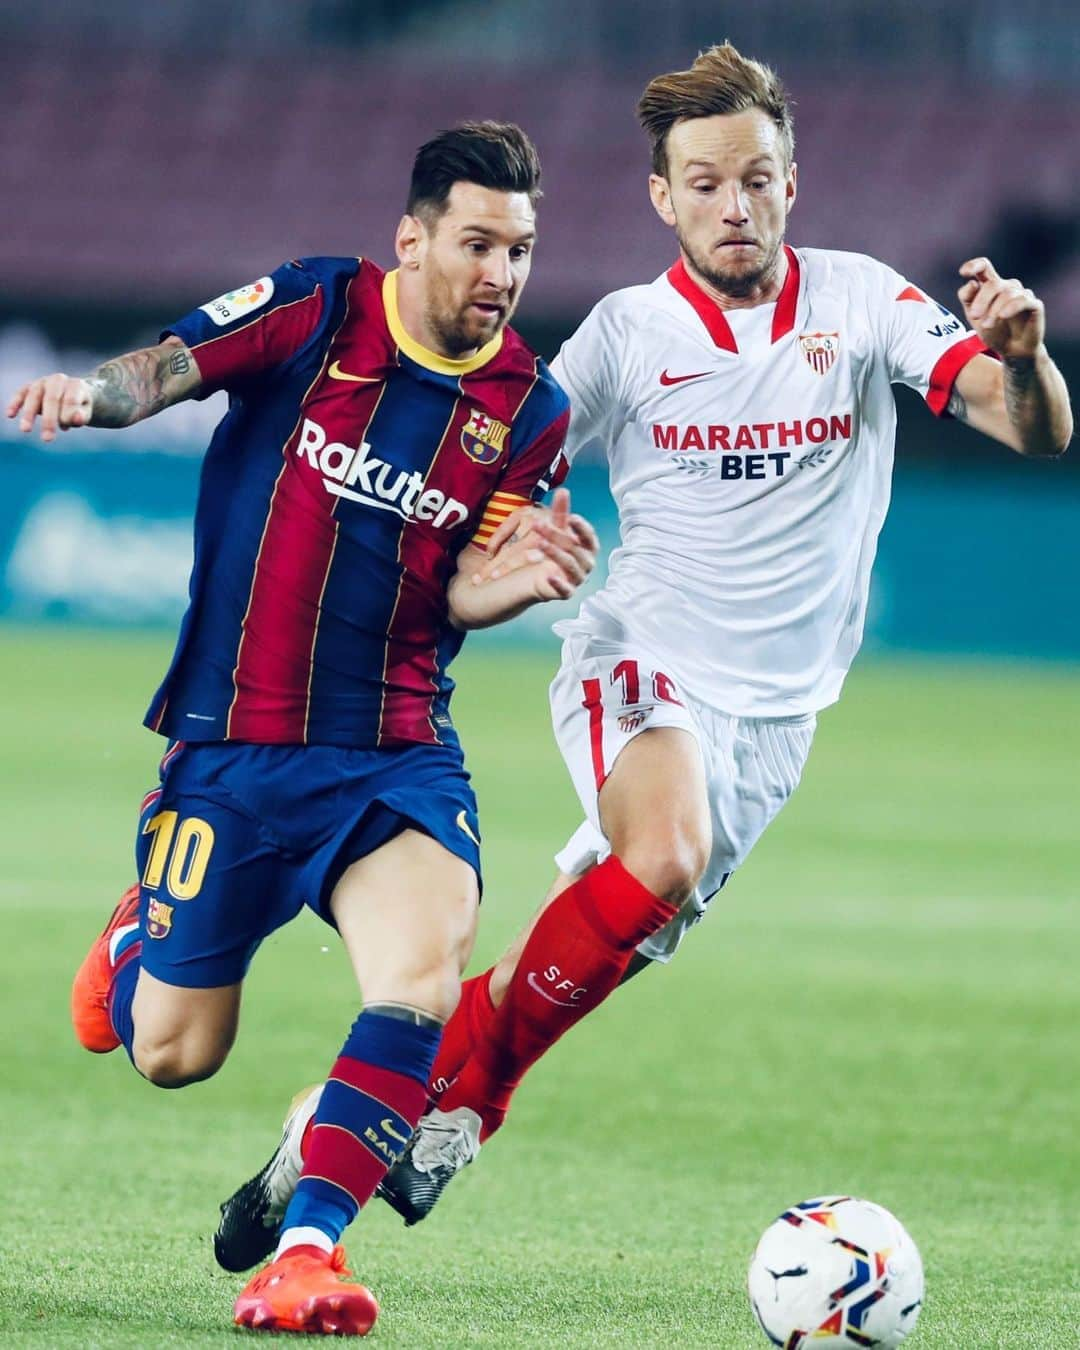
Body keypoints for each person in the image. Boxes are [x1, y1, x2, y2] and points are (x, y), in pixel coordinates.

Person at [214, 40, 1073, 1257]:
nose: (737, 204)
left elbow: (1033, 431)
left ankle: (326, 1136)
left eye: (759, 177)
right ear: (663, 196)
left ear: (793, 182)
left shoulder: (864, 303)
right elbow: (499, 479)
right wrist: (498, 554)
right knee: (666, 852)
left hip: (778, 719)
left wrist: (1026, 355)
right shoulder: (623, 337)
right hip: (642, 658)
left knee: (591, 944)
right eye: (707, 182)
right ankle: (476, 1106)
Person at [7, 121, 599, 1337]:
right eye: (479, 242)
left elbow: (462, 591)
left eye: (521, 250)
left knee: (420, 982)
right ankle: (136, 945)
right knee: (174, 1053)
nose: (501, 272)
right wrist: (93, 397)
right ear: (413, 239)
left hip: (393, 753)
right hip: (232, 750)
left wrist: (522, 574)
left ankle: (305, 1254)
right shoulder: (322, 308)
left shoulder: (530, 408)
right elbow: (165, 368)